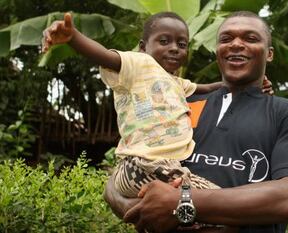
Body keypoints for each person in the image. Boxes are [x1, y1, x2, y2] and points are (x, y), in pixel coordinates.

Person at [104, 11, 288, 233]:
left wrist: (182, 201)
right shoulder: (178, 105)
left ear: (270, 54)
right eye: (226, 39)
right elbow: (122, 173)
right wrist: (134, 207)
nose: (236, 44)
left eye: (250, 38)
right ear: (217, 51)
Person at [42, 12, 274, 198]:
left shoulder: (175, 82)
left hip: (160, 167)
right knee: (221, 203)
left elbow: (210, 88)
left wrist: (254, 86)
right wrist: (74, 38)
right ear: (143, 46)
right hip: (143, 164)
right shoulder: (138, 63)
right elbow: (103, 55)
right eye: (164, 41)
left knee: (206, 210)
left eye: (181, 44)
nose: (174, 48)